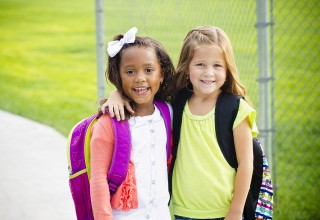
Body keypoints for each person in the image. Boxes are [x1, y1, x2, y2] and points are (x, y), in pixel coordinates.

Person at [103, 26, 258, 220]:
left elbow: (246, 164)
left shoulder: (236, 109)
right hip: (181, 211)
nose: (208, 73)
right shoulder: (176, 103)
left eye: (217, 65)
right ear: (187, 66)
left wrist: (235, 212)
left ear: (227, 69)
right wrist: (116, 94)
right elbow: (144, 90)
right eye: (200, 64)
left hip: (224, 212)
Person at [90, 27, 176, 220]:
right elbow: (98, 181)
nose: (140, 78)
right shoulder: (108, 124)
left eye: (149, 70)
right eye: (130, 71)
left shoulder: (168, 113)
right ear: (118, 76)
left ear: (161, 74)